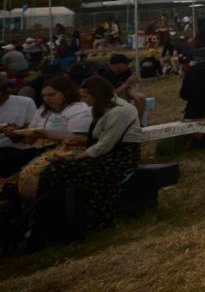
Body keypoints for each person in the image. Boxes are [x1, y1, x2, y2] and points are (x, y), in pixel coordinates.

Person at [35, 76, 142, 230]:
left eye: (85, 97)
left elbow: (105, 145)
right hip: (107, 152)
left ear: (96, 94)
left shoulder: (120, 111)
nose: (83, 100)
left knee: (61, 170)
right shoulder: (101, 108)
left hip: (120, 157)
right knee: (53, 170)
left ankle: (71, 221)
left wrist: (77, 157)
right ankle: (55, 220)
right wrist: (79, 143)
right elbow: (99, 139)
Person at [1, 74, 92, 177]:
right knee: (4, 154)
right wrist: (17, 134)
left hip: (65, 152)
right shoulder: (43, 110)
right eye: (44, 96)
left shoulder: (79, 109)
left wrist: (44, 134)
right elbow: (29, 141)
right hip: (38, 150)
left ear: (66, 93)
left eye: (52, 95)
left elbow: (78, 138)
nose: (47, 99)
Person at [0, 73, 38, 176]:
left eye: (10, 86)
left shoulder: (25, 103)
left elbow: (35, 133)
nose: (8, 91)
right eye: (2, 88)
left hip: (20, 152)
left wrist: (18, 132)